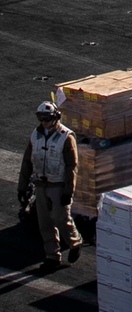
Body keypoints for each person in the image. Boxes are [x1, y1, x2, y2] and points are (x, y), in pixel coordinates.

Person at [17, 101, 84, 272]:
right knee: (44, 222)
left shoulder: (66, 137)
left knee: (61, 218)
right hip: (41, 183)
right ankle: (52, 256)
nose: (44, 122)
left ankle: (74, 242)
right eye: (41, 118)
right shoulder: (36, 135)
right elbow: (27, 161)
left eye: (47, 118)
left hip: (58, 184)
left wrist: (68, 191)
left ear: (55, 118)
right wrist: (22, 187)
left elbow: (72, 167)